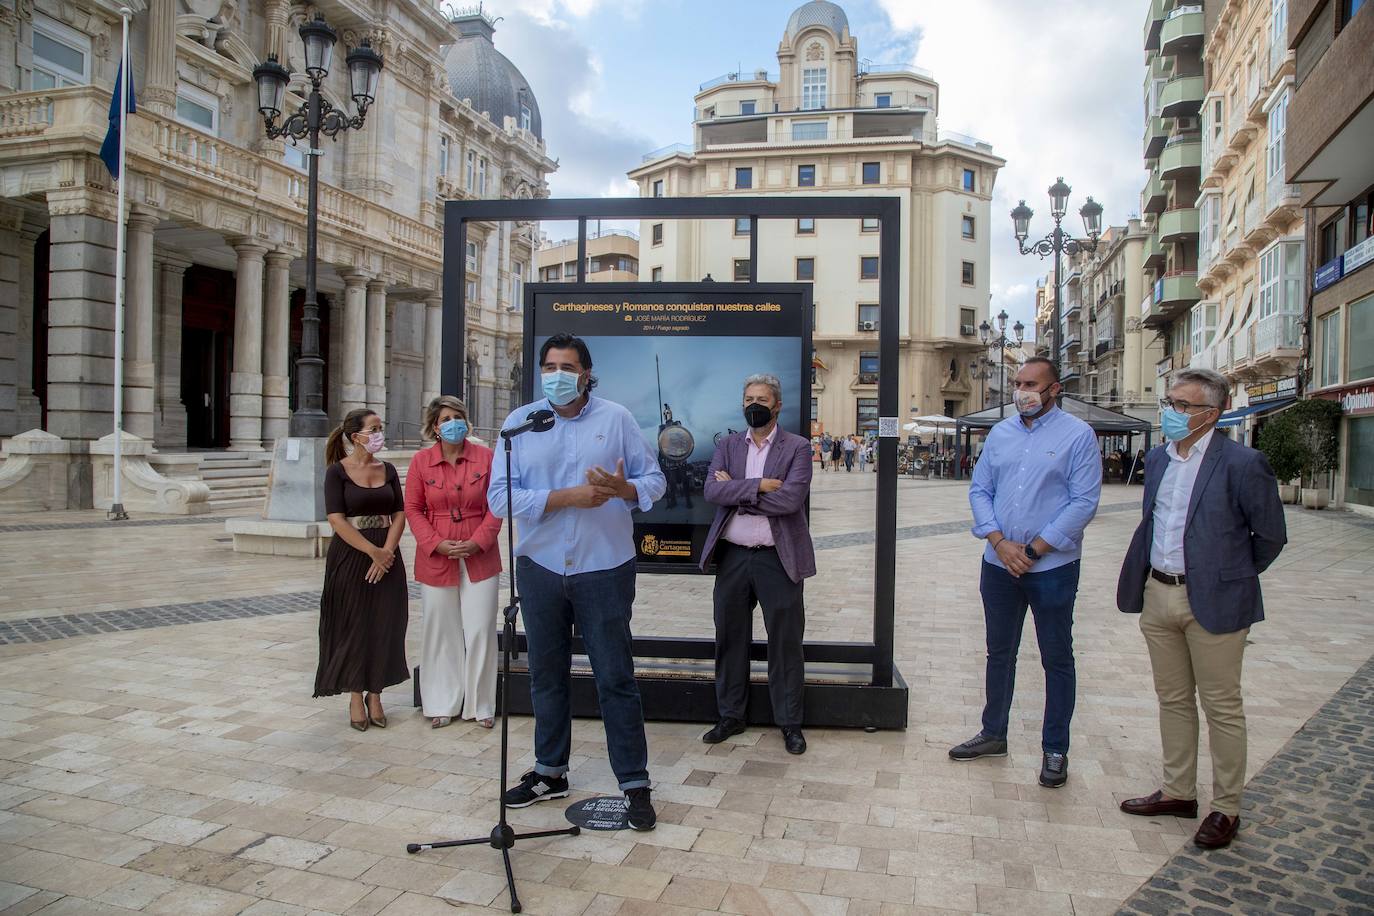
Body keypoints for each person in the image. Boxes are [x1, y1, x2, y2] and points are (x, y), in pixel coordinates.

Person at [489, 333, 666, 830]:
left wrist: (623, 489)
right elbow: (499, 499)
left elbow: (654, 482)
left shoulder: (617, 419)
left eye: (568, 366)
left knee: (615, 677)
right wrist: (566, 497)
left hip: (605, 568)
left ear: (587, 373)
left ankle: (633, 782)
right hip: (541, 568)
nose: (557, 375)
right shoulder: (518, 424)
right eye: (549, 366)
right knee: (546, 675)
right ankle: (550, 771)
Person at [1116, 368, 1287, 850]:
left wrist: (1228, 576)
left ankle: (1226, 807)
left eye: (1182, 406)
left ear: (1210, 414)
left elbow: (1270, 536)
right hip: (1158, 594)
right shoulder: (1158, 459)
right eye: (1169, 402)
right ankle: (1177, 792)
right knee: (1172, 700)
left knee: (1222, 707)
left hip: (1214, 600)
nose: (1171, 412)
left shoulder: (1242, 463)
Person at [951, 357, 1102, 787]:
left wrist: (1033, 550)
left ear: (1055, 389)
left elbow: (1083, 503)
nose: (1021, 391)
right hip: (998, 565)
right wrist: (999, 542)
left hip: (1051, 567)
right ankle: (993, 733)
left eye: (1030, 384)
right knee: (999, 653)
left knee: (1056, 658)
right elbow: (980, 489)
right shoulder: (1000, 434)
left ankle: (1055, 749)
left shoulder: (1077, 435)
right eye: (1017, 383)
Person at [699, 374, 816, 755]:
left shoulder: (797, 447)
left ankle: (790, 723)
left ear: (777, 405)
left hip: (777, 559)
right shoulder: (729, 444)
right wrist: (760, 486)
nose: (754, 404)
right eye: (749, 398)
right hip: (733, 556)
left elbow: (790, 501)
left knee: (785, 642)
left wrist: (738, 490)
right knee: (730, 638)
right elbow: (712, 490)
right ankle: (730, 715)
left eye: (762, 399)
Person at [404, 396, 503, 730]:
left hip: (480, 553)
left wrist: (479, 540)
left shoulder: (486, 458)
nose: (453, 423)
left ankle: (481, 703)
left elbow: (496, 505)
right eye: (446, 418)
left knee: (480, 630)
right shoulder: (421, 462)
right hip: (437, 556)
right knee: (440, 630)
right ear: (435, 426)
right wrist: (436, 543)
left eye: (458, 416)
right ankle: (442, 701)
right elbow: (413, 509)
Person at [315, 408, 409, 731]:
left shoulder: (389, 470)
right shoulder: (336, 473)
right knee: (353, 624)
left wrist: (387, 552)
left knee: (385, 623)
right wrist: (372, 552)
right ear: (356, 437)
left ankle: (376, 693)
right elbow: (336, 519)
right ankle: (356, 694)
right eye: (374, 429)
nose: (379, 434)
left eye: (380, 428)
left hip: (388, 554)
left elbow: (399, 512)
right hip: (352, 554)